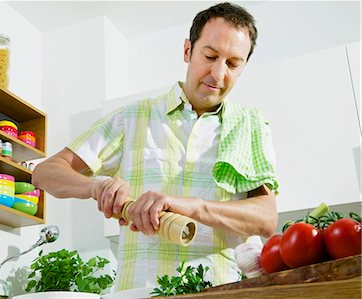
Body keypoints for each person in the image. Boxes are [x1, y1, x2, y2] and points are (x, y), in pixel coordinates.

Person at [32, 1, 279, 290]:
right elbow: (45, 172)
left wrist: (193, 207)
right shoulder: (133, 117)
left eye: (233, 64)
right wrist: (95, 187)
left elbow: (266, 217)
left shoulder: (249, 125)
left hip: (220, 292)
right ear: (188, 50)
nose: (218, 73)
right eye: (209, 56)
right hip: (140, 291)